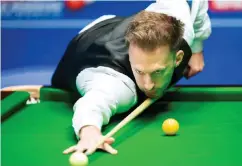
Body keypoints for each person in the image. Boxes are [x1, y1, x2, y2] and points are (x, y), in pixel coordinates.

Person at [51, 0, 211, 156]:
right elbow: (92, 105)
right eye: (140, 72)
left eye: (157, 72)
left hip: (114, 26)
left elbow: (195, 3)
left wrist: (197, 47)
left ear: (178, 58)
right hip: (83, 47)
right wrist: (89, 132)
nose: (148, 86)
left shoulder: (180, 23)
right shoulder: (118, 85)